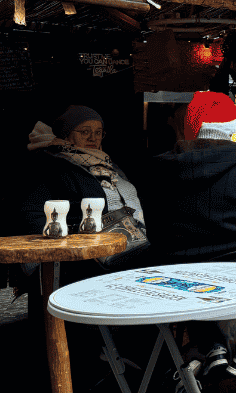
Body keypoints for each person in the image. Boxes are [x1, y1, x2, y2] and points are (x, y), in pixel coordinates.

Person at [142, 91, 236, 375]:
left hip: (183, 279)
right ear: (235, 130)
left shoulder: (159, 170)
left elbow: (154, 230)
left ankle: (211, 344)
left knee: (194, 272)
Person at [18, 106, 149, 275]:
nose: (93, 137)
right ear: (66, 134)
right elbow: (32, 212)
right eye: (85, 132)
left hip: (127, 247)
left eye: (98, 132)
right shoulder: (53, 164)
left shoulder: (106, 163)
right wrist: (63, 249)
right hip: (84, 258)